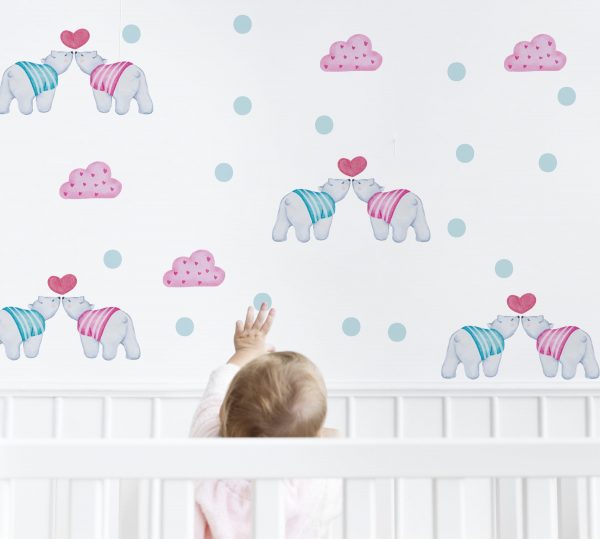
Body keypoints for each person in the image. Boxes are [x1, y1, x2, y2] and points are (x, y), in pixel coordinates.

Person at [190, 303, 341, 538]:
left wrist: (246, 351)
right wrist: (327, 439)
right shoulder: (312, 483)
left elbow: (216, 388)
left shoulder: (208, 443)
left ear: (226, 409)